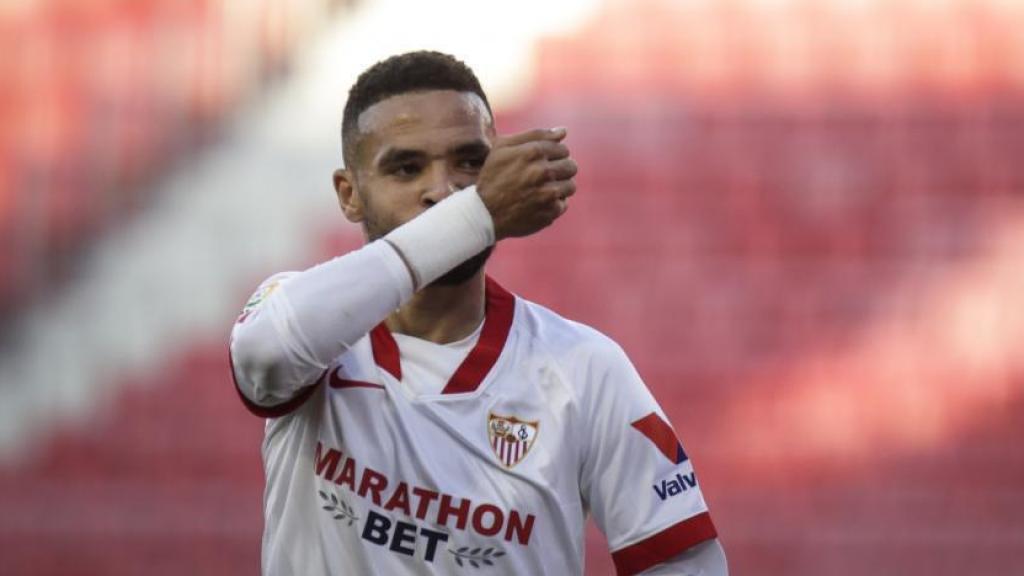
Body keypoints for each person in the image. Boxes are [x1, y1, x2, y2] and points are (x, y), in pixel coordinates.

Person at [229, 50, 727, 576]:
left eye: (470, 163)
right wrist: (476, 215)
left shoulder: (584, 368)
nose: (444, 191)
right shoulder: (300, 317)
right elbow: (264, 357)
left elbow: (683, 564)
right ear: (349, 195)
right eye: (406, 167)